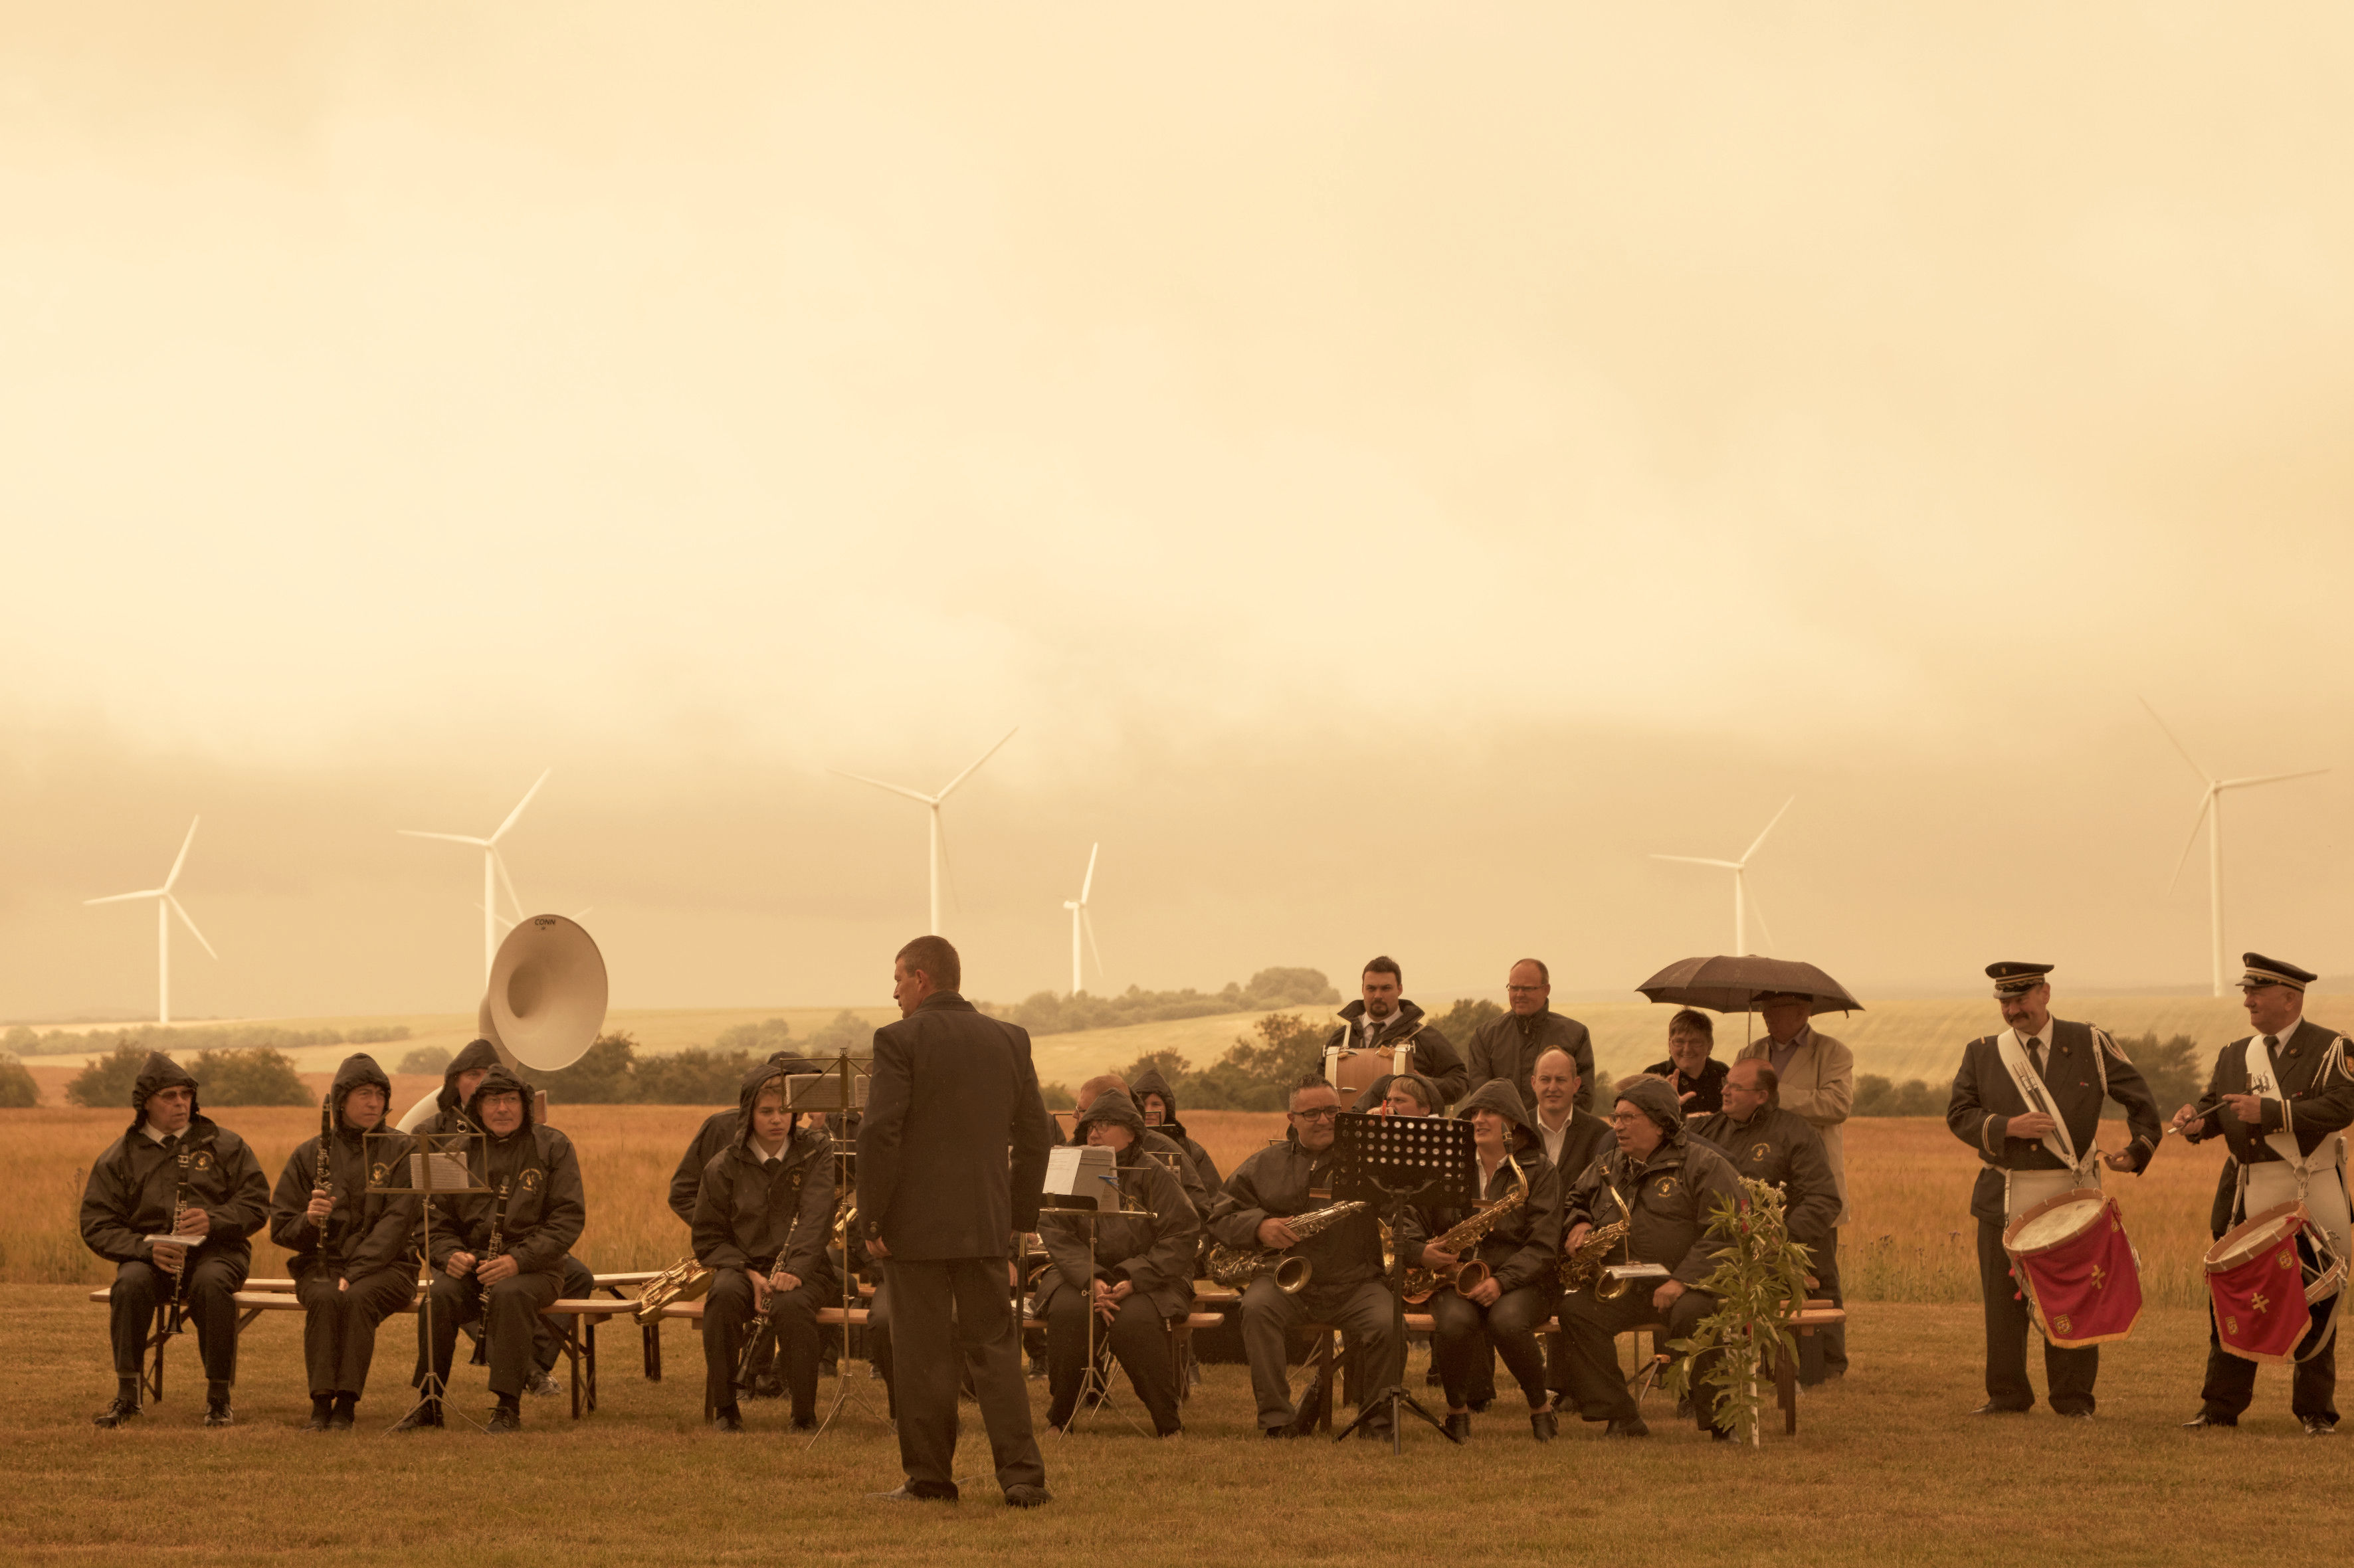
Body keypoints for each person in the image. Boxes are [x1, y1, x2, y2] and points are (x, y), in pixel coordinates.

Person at [859, 935, 1056, 1508]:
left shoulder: (898, 1040)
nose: (894, 992)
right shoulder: (1010, 1039)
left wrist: (872, 1218)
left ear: (921, 978)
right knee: (995, 1351)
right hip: (986, 1224)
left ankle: (930, 1480)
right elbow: (1036, 1136)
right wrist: (1018, 1216)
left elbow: (880, 1133)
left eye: (898, 979)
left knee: (922, 1356)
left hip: (913, 1228)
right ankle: (1022, 1477)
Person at [2170, 953, 2354, 1434]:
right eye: (2246, 992)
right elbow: (2215, 1109)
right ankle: (2220, 1408)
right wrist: (2194, 1123)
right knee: (2235, 1297)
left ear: (2290, 998)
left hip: (2309, 1188)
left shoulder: (2332, 1048)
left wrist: (2272, 1113)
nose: (2247, 1001)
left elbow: (2344, 1104)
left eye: (2257, 992)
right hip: (2247, 1191)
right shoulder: (2235, 1053)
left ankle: (2315, 1411)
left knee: (2317, 1296)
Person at [79, 1053, 270, 1428]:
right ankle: (128, 1396)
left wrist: (213, 1221)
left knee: (212, 1284)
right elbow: (97, 1223)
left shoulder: (226, 1145)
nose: (181, 1103)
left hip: (218, 1251)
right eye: (169, 1096)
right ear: (145, 1103)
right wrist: (145, 1248)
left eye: (186, 1094)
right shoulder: (120, 1156)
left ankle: (219, 1399)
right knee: (129, 1284)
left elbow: (257, 1204)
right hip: (151, 1256)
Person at [1207, 1076, 1400, 1440]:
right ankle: (1278, 1420)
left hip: (1355, 1283)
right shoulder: (1262, 1165)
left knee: (1389, 1324)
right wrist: (1259, 1226)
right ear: (1292, 1118)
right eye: (1312, 1113)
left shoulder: (1367, 1160)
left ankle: (1377, 1423)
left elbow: (1401, 1210)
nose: (1324, 1120)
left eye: (1332, 1111)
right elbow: (1219, 1216)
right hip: (1286, 1284)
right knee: (1256, 1308)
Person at [1555, 1077, 1746, 1439]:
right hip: (1624, 1284)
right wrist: (1578, 1222)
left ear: (1660, 1124)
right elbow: (1575, 1198)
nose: (1618, 1127)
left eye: (1629, 1118)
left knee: (1696, 1316)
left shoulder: (1705, 1165)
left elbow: (1726, 1232)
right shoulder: (1609, 1164)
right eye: (1616, 1118)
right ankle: (1621, 1415)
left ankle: (1721, 1422)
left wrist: (1682, 1281)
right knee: (1577, 1312)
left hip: (1689, 1286)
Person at [399, 1064, 586, 1433]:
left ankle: (507, 1406)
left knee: (510, 1294)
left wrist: (517, 1260)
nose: (503, 1109)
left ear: (524, 1105)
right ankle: (429, 1402)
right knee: (439, 1298)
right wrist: (448, 1255)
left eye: (511, 1100)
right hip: (473, 1265)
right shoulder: (456, 1150)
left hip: (536, 1269)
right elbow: (434, 1219)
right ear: (478, 1108)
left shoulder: (553, 1146)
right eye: (493, 1101)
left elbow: (566, 1219)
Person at [1397, 1081, 1563, 1441]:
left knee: (1507, 1320)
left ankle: (1540, 1407)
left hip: (1523, 1281)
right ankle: (1457, 1411)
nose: (1478, 1120)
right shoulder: (1447, 1166)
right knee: (1454, 1322)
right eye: (1474, 1113)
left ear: (1513, 1122)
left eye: (1489, 1112)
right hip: (1454, 1276)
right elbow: (1410, 1216)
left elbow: (1543, 1245)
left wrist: (1502, 1281)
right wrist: (1421, 1251)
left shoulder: (1539, 1172)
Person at [1034, 1086, 1199, 1436]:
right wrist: (1091, 1277)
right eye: (1091, 1125)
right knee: (1070, 1313)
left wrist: (1133, 1278)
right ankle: (1061, 1417)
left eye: (1105, 1125)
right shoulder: (1072, 1170)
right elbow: (1055, 1229)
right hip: (1081, 1276)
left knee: (1133, 1321)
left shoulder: (1154, 1173)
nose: (1094, 1133)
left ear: (1132, 1132)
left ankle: (1167, 1422)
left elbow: (1181, 1234)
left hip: (1149, 1279)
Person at [268, 1053, 421, 1430]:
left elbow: (398, 1223)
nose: (374, 1103)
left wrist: (354, 1272)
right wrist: (309, 1220)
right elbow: (281, 1227)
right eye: (364, 1094)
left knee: (357, 1297)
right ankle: (321, 1404)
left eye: (380, 1095)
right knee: (324, 1297)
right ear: (341, 1101)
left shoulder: (405, 1149)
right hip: (321, 1264)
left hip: (390, 1266)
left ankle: (346, 1406)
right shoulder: (309, 1154)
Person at [668, 1048, 826, 1397]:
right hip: (739, 1255)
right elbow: (683, 1194)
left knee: (818, 1290)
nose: (780, 1117)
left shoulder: (809, 1144)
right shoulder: (720, 1130)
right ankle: (739, 1389)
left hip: (787, 1258)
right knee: (729, 1294)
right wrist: (732, 1231)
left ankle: (774, 1377)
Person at [694, 1058, 838, 1432]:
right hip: (744, 1267)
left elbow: (817, 1216)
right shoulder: (723, 1166)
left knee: (792, 1305)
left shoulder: (815, 1151)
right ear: (749, 1114)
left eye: (784, 1111)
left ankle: (803, 1415)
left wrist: (795, 1270)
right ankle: (726, 1410)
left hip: (806, 1268)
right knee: (723, 1297)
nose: (777, 1120)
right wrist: (748, 1272)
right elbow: (708, 1237)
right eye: (766, 1112)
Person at [1692, 1058, 1844, 1385]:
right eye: (1726, 1084)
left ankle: (1803, 1368)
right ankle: (1703, 1370)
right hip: (1720, 1249)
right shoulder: (1706, 1129)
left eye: (1735, 1087)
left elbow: (1824, 1199)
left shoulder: (1795, 1132)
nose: (1725, 1091)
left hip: (1778, 1255)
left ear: (1762, 1096)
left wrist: (1782, 1235)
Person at [1738, 991, 1854, 1378]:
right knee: (1765, 1275)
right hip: (1763, 1176)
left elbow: (1837, 1105)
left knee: (1820, 1273)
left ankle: (1829, 1362)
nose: (1767, 1016)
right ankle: (1771, 1358)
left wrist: (1772, 1096)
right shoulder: (1751, 1051)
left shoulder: (1832, 1052)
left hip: (1812, 1180)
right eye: (1764, 1010)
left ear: (1803, 1012)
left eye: (1776, 1010)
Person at [1324, 957, 1467, 1105]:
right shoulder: (1340, 1039)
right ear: (1362, 990)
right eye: (1371, 988)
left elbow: (1460, 1081)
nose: (1378, 995)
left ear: (1400, 989)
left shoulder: (1425, 1037)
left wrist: (1424, 1087)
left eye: (1386, 988)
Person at [1464, 958, 1598, 1112]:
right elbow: (1482, 1097)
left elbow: (1583, 1095)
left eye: (1527, 989)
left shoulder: (1576, 1035)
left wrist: (1548, 1122)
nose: (1519, 994)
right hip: (1504, 1127)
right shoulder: (1485, 1037)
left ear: (1546, 990)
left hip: (1558, 1126)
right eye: (1514, 988)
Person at [1130, 1064, 1221, 1192]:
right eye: (1143, 1104)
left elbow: (1213, 1197)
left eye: (1156, 1104)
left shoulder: (1191, 1150)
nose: (1149, 1111)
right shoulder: (1122, 1145)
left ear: (1167, 1108)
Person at [1530, 1046, 1612, 1182]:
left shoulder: (1600, 1135)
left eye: (1560, 1080)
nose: (1552, 1088)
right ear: (1534, 1083)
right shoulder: (1517, 1131)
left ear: (1576, 1085)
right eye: (1545, 1080)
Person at [1646, 1009, 1728, 1116]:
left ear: (1710, 1045)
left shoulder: (1723, 1073)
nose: (1687, 1049)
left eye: (1696, 1042)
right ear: (1669, 1044)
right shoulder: (1653, 1077)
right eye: (1679, 1042)